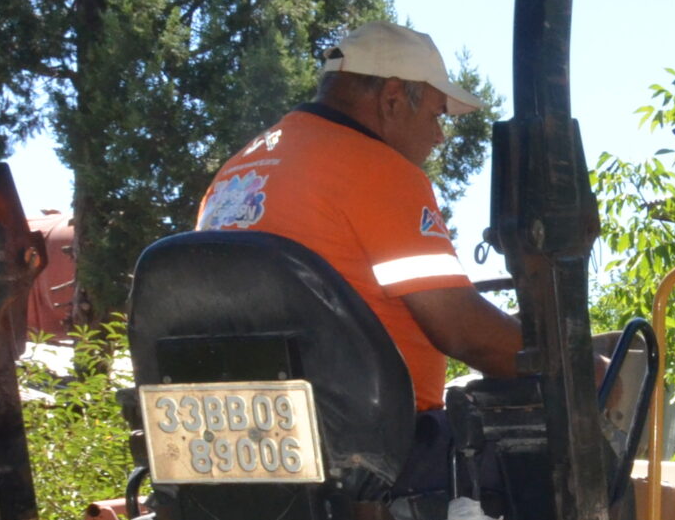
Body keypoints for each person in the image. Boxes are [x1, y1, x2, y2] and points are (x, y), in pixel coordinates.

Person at [195, 22, 522, 413]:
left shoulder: (235, 171)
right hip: (372, 435)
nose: (439, 136)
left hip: (247, 425)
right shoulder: (378, 170)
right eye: (436, 115)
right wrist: (569, 362)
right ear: (393, 98)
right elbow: (464, 331)